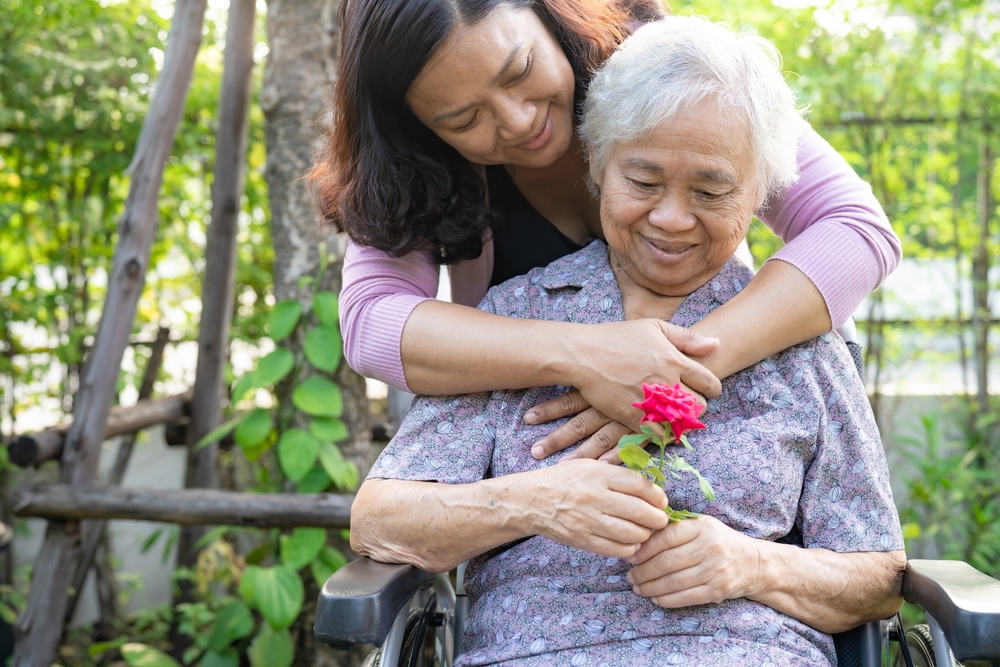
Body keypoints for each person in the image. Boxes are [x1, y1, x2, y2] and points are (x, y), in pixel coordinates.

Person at [350, 17, 905, 665]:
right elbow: (379, 515)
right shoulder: (511, 315)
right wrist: (535, 500)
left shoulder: (803, 339)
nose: (671, 217)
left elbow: (879, 575)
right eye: (642, 182)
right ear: (600, 166)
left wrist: (753, 564)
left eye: (710, 189)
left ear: (760, 194)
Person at [309, 0, 901, 458]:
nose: (517, 120)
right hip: (550, 472)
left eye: (520, 70)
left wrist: (673, 379)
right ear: (419, 129)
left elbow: (855, 228)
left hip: (728, 431)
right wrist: (585, 355)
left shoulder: (668, 71)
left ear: (550, 13)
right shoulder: (416, 168)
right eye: (464, 119)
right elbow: (372, 322)